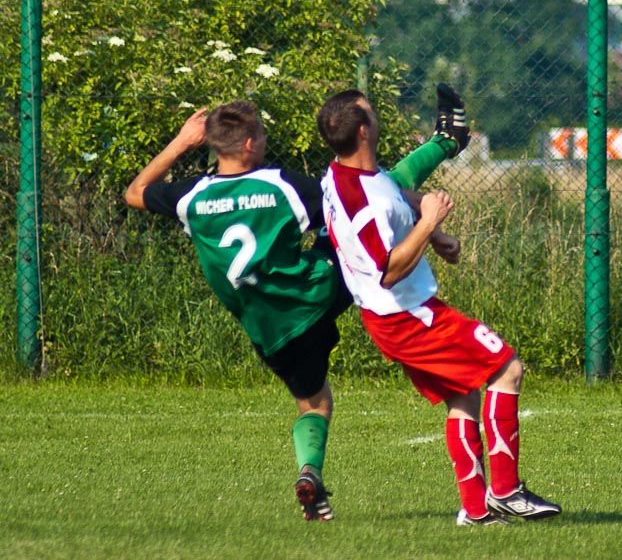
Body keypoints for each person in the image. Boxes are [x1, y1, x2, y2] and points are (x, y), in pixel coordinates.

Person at [123, 91, 469, 521]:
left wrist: (181, 142)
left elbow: (135, 192)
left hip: (266, 329)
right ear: (249, 144)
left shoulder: (191, 197)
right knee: (376, 182)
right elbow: (365, 194)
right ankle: (446, 141)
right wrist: (430, 227)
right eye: (262, 134)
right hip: (316, 292)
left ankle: (310, 473)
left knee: (314, 403)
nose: (266, 140)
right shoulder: (279, 184)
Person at [317, 89, 562, 526]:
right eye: (371, 113)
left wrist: (432, 235)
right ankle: (506, 491)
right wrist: (431, 219)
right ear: (363, 131)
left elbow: (393, 190)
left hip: (394, 316)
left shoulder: (344, 173)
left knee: (463, 394)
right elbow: (388, 269)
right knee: (507, 369)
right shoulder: (365, 201)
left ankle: (476, 510)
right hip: (407, 316)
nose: (376, 116)